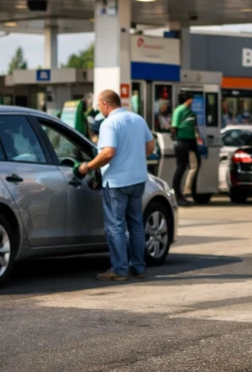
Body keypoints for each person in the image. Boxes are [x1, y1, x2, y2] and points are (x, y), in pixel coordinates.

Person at [78, 89, 155, 282]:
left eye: (99, 105)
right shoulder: (138, 119)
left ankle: (119, 269)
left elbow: (108, 153)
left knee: (115, 226)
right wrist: (134, 159)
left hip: (117, 182)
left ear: (105, 104)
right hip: (138, 179)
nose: (99, 109)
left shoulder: (109, 123)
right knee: (136, 225)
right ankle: (138, 267)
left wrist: (87, 167)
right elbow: (150, 146)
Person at [171, 94, 204, 204]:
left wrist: (199, 138)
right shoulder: (179, 110)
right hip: (182, 140)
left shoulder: (191, 112)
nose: (193, 101)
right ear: (188, 100)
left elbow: (194, 127)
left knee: (195, 165)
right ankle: (177, 194)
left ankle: (189, 191)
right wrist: (175, 141)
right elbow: (174, 127)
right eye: (192, 99)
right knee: (181, 166)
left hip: (192, 140)